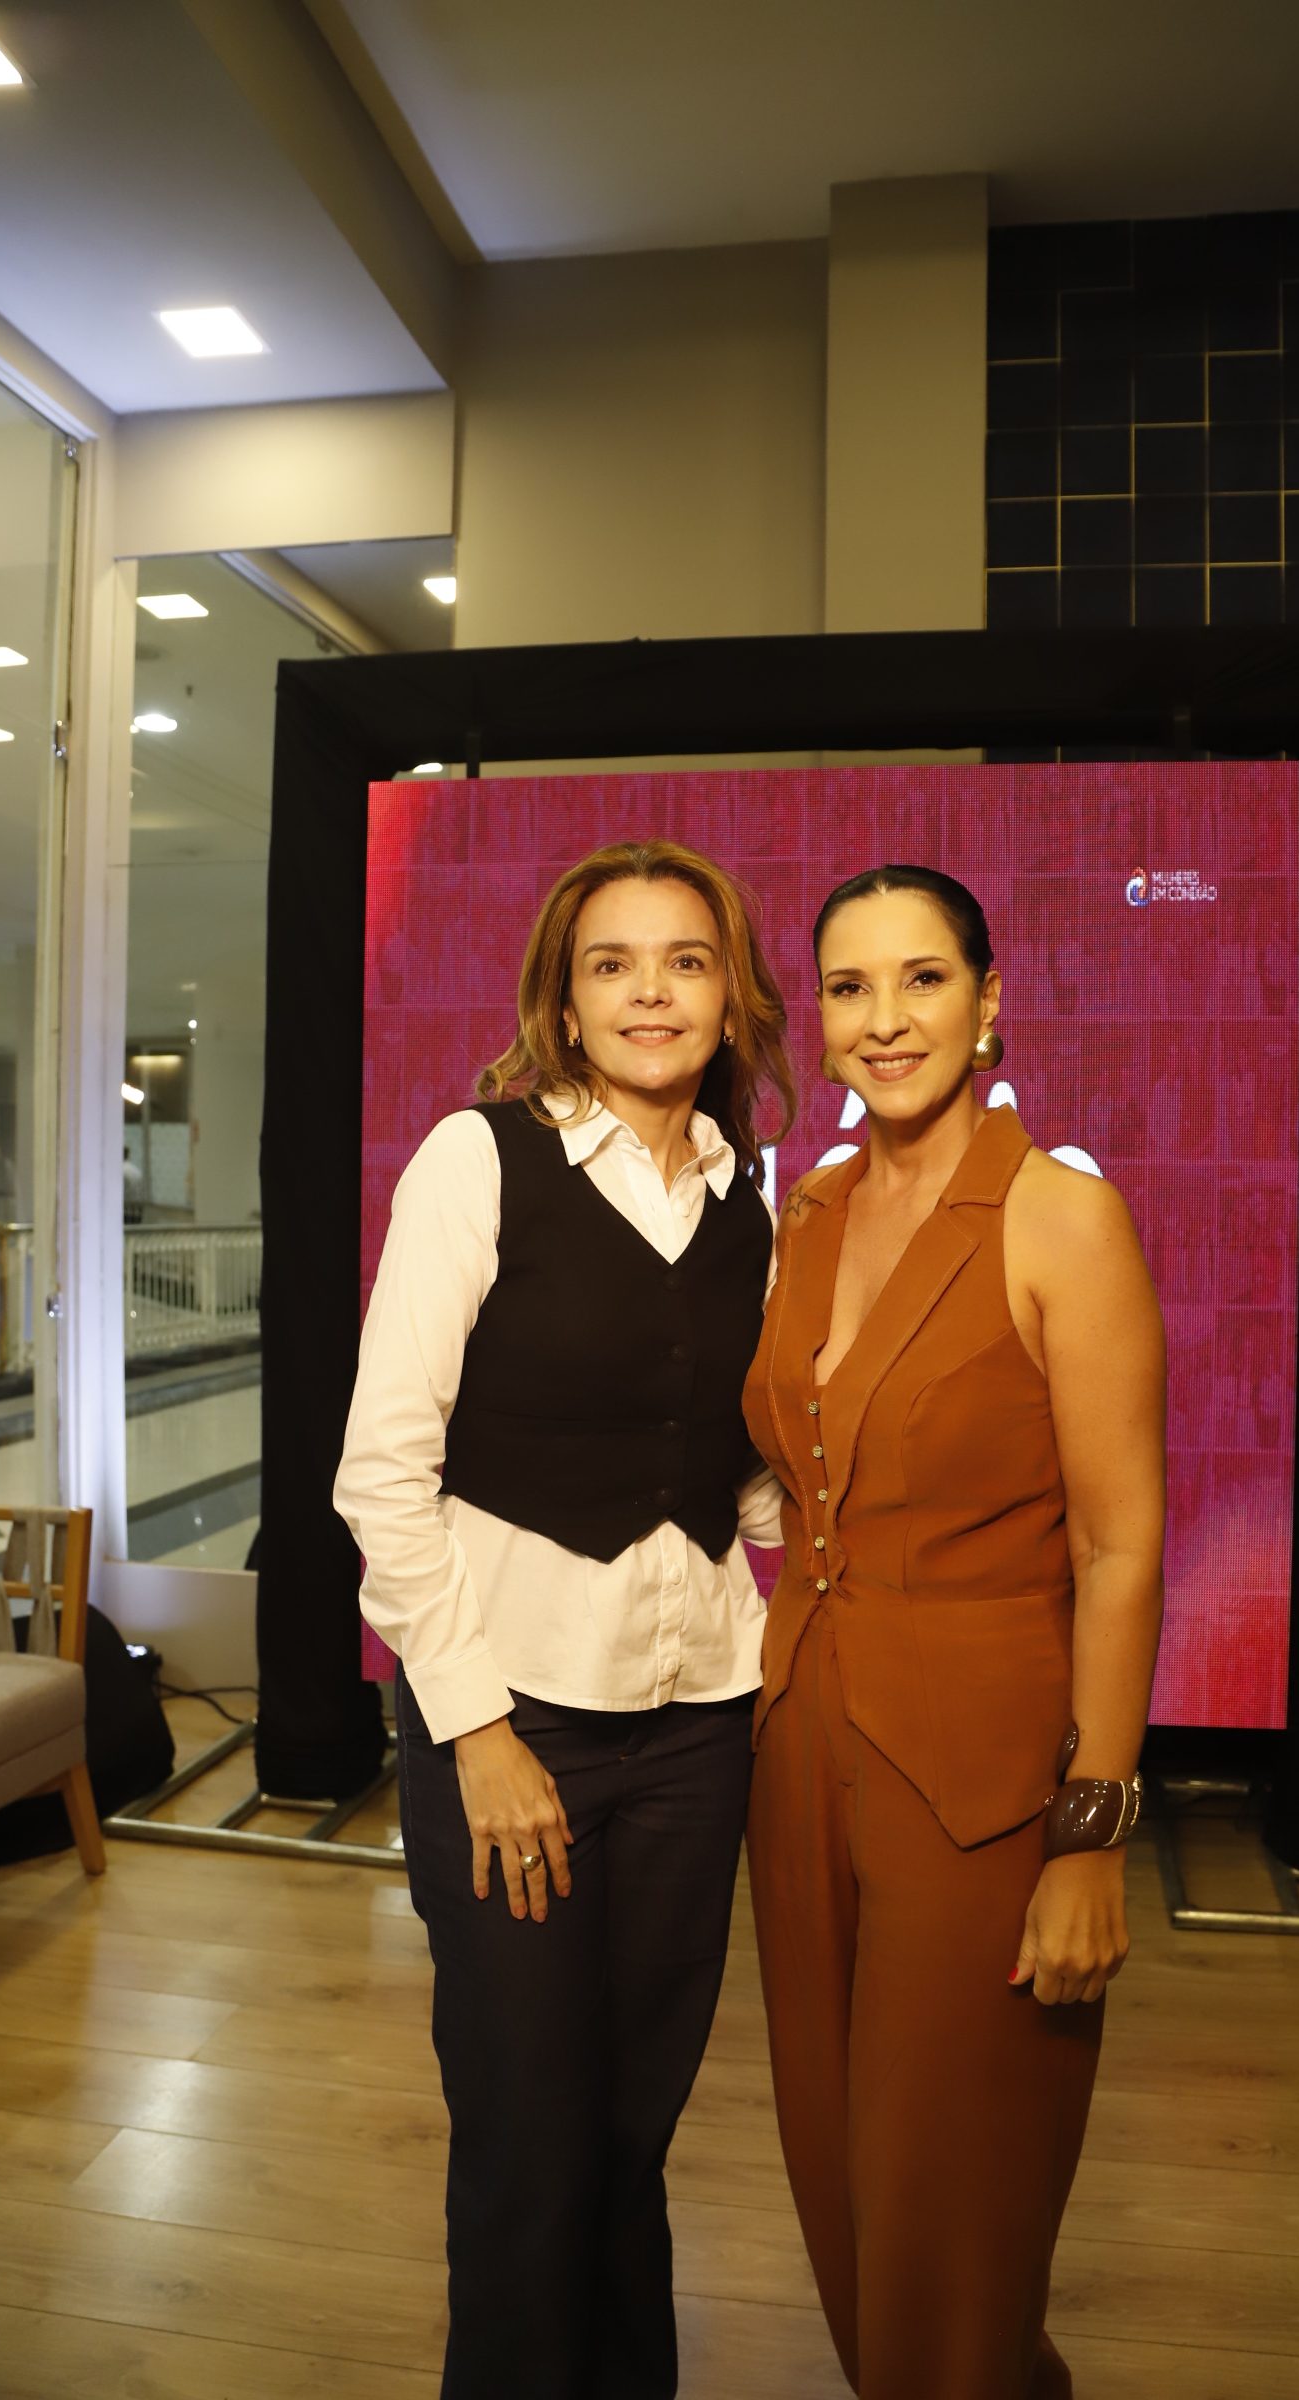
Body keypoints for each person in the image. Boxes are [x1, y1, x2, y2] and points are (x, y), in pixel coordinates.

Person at [335, 838, 794, 2400]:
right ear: (565, 999)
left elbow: (735, 1469)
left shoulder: (749, 1195)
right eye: (614, 964)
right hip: (513, 1721)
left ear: (731, 997)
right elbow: (381, 1475)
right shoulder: (477, 1162)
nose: (651, 992)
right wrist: (475, 1729)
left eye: (685, 960)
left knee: (630, 2130)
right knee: (528, 2138)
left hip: (699, 1729)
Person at [744, 864, 1166, 2400]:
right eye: (850, 987)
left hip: (979, 1781)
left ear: (990, 1002)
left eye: (923, 979)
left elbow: (1120, 1547)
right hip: (799, 1744)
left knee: (953, 2187)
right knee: (837, 2169)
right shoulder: (811, 1210)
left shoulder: (1061, 1215)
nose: (886, 1018)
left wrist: (1091, 1834)